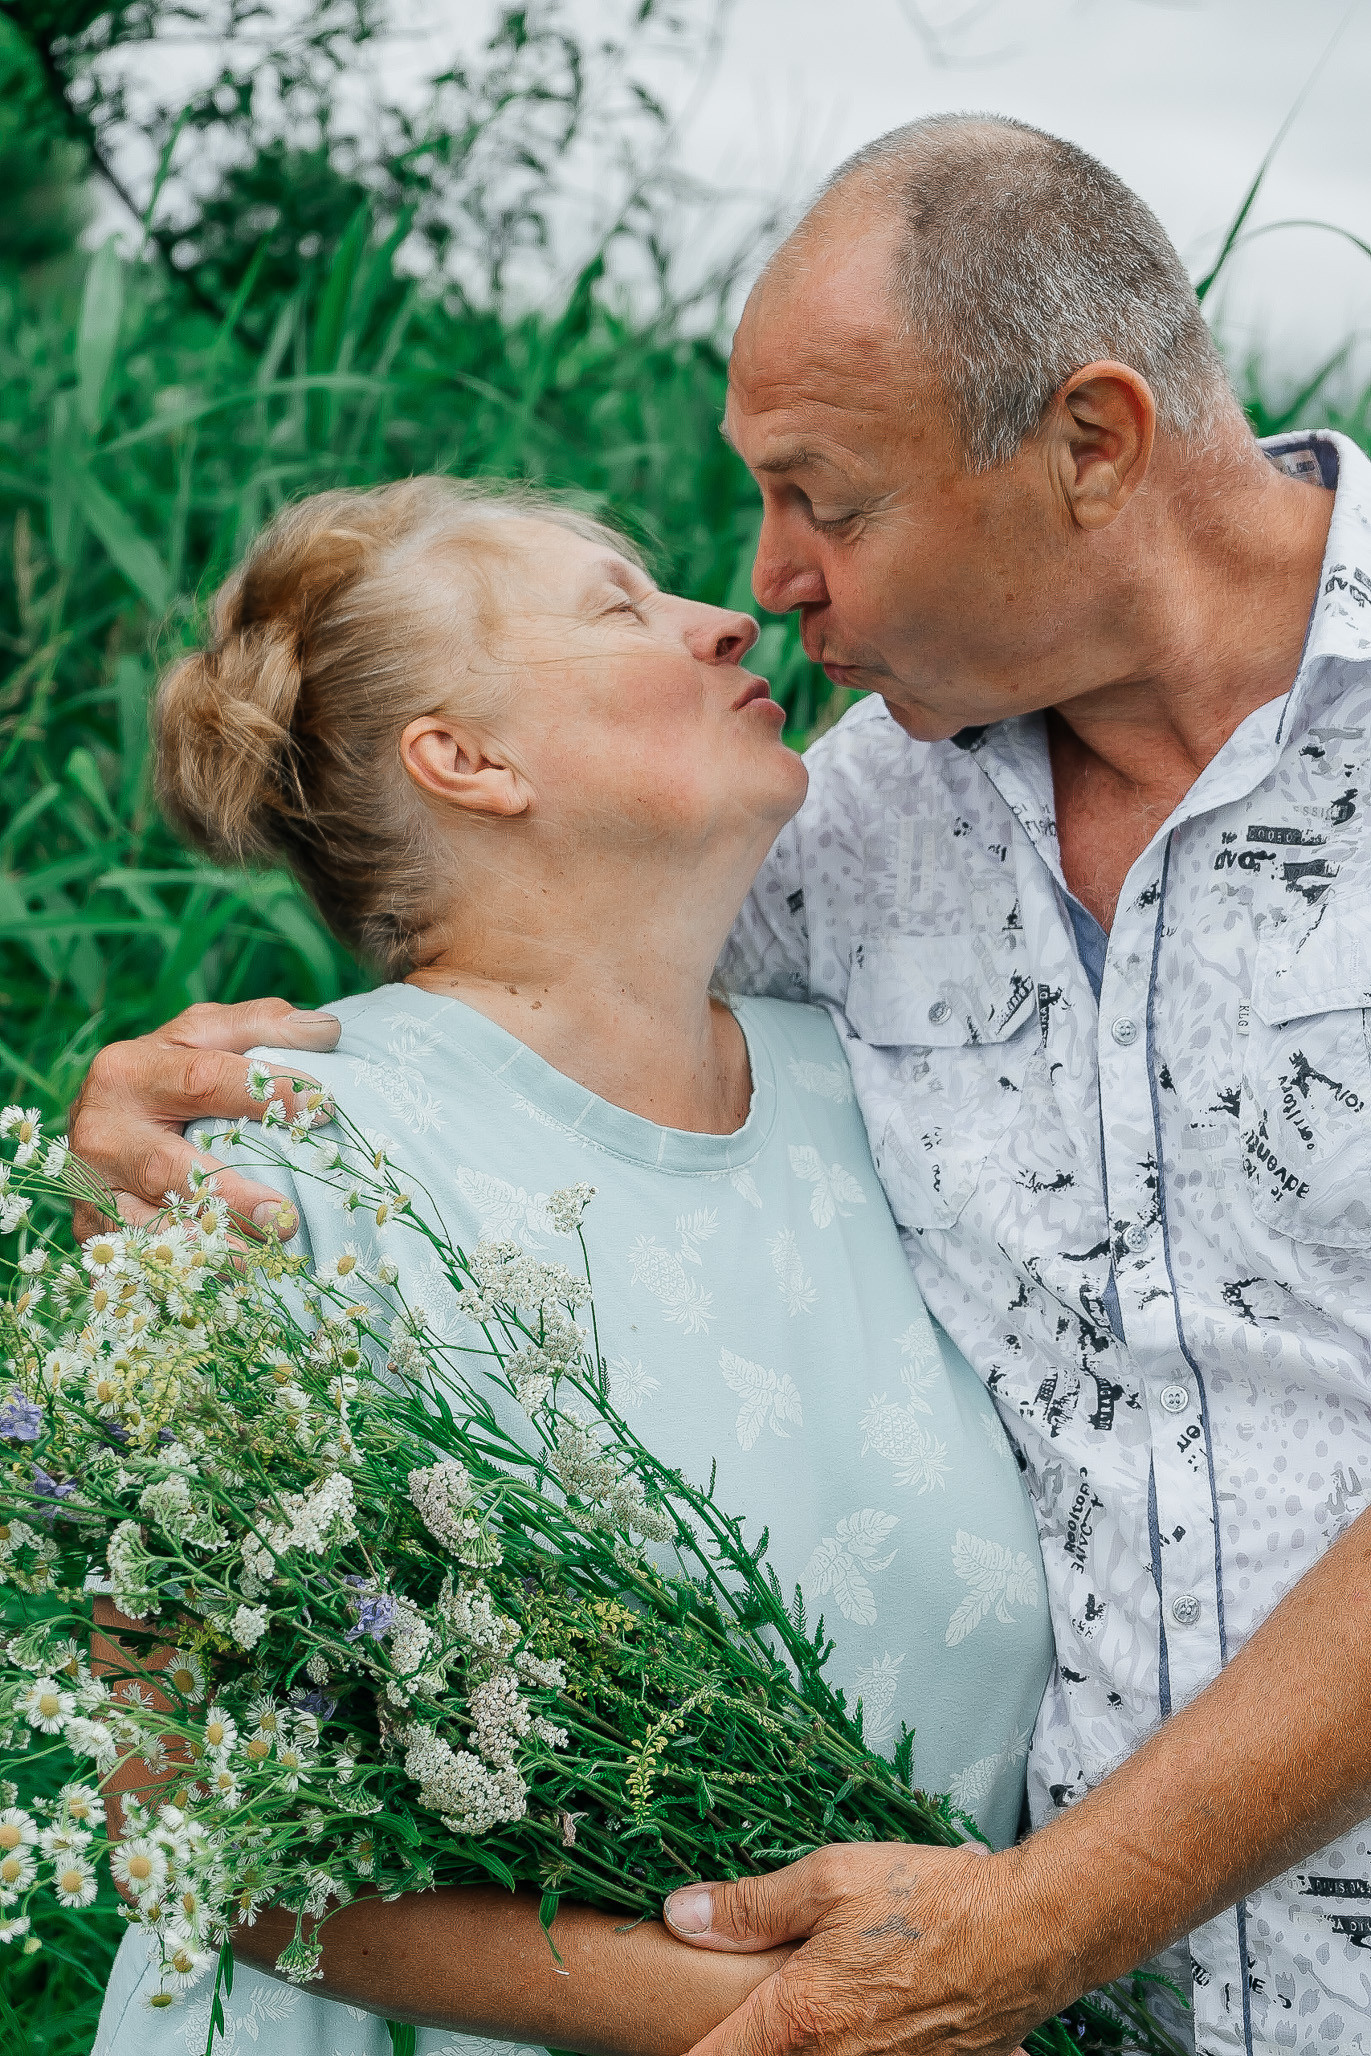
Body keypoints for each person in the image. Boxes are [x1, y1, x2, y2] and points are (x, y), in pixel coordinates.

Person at [75, 114, 1371, 2054]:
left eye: (819, 499)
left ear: (1087, 444)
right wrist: (146, 1128)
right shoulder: (845, 831)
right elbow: (527, 987)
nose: (762, 588)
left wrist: (1029, 1931)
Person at [87, 477, 1053, 2056]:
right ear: (466, 762)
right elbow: (169, 1792)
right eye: (622, 607)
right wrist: (772, 2015)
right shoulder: (275, 1164)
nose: (727, 616)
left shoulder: (884, 1095)